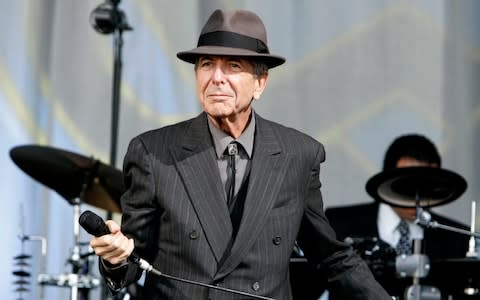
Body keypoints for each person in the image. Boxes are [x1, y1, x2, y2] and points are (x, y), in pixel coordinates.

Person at [88, 9, 390, 299]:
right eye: (206, 64)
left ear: (260, 83)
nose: (216, 77)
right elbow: (132, 257)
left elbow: (329, 256)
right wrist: (116, 258)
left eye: (233, 65)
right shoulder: (153, 152)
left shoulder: (298, 154)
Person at [325, 134, 471, 299]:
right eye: (406, 185)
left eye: (427, 186)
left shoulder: (458, 238)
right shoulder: (338, 224)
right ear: (386, 182)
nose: (416, 197)